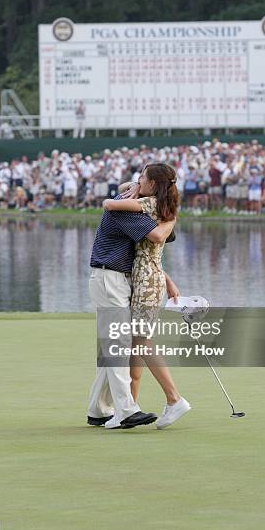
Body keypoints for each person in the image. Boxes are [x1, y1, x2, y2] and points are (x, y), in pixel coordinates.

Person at [102, 163, 190, 430]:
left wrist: (110, 198)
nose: (137, 180)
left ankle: (174, 399)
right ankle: (127, 409)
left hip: (145, 284)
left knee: (141, 344)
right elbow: (124, 187)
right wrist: (134, 186)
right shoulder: (156, 200)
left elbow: (111, 204)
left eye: (142, 176)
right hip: (147, 278)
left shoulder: (150, 204)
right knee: (136, 347)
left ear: (153, 184)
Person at [87, 171, 175, 430]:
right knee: (118, 343)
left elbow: (153, 248)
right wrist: (174, 217)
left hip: (115, 278)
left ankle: (98, 409)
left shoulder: (132, 205)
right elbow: (160, 235)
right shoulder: (126, 211)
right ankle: (125, 409)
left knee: (112, 344)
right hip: (109, 277)